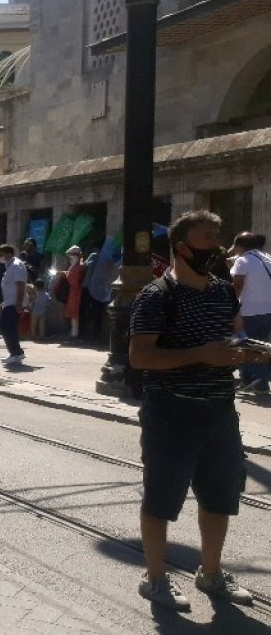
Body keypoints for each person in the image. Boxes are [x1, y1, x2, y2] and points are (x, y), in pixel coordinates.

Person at [129, 211, 269, 611]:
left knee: (220, 496)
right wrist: (202, 355)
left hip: (219, 410)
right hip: (171, 413)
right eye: (208, 238)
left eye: (218, 236)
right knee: (161, 498)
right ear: (182, 247)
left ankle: (210, 573)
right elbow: (140, 357)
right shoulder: (158, 295)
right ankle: (155, 579)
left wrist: (244, 353)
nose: (217, 246)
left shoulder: (223, 292)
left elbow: (228, 340)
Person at [231, 232, 271, 393]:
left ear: (239, 246)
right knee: (260, 346)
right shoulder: (267, 259)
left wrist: (230, 303)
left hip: (250, 311)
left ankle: (249, 379)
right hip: (268, 310)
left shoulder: (243, 261)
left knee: (242, 344)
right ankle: (260, 382)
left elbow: (238, 285)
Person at [0, 245, 29, 365]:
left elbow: (20, 284)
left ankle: (16, 353)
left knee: (7, 328)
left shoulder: (16, 265)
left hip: (14, 303)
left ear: (9, 254)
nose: (0, 257)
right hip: (9, 302)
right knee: (8, 328)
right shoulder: (10, 266)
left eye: (2, 254)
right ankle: (15, 352)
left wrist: (19, 303)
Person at [62, 246, 85, 341]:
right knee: (73, 314)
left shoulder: (78, 266)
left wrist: (66, 276)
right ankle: (73, 333)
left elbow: (74, 280)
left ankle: (74, 335)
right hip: (74, 292)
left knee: (74, 314)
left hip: (76, 292)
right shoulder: (77, 265)